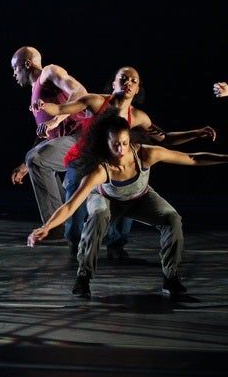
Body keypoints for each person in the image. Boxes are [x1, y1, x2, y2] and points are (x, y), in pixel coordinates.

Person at [28, 112, 228, 298]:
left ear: (130, 140)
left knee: (172, 218)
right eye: (115, 144)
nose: (121, 150)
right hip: (107, 199)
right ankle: (83, 276)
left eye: (124, 143)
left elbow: (192, 159)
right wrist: (46, 227)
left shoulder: (146, 154)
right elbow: (70, 206)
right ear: (106, 143)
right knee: (98, 216)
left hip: (139, 198)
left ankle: (171, 277)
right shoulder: (101, 169)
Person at [35, 66, 217, 260]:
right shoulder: (96, 101)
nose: (128, 83)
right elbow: (61, 109)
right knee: (76, 213)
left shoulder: (137, 116)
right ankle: (77, 246)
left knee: (127, 196)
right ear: (114, 83)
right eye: (123, 79)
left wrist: (196, 133)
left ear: (137, 89)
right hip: (85, 161)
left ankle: (116, 246)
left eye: (133, 81)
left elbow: (165, 138)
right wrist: (45, 106)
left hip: (112, 165)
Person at [9, 47, 90, 250]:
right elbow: (46, 135)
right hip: (67, 142)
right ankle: (64, 224)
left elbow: (81, 93)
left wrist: (55, 120)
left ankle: (56, 228)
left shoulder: (49, 72)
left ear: (27, 64)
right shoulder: (35, 94)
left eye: (15, 69)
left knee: (36, 159)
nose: (14, 74)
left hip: (81, 138)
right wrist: (25, 165)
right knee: (34, 159)